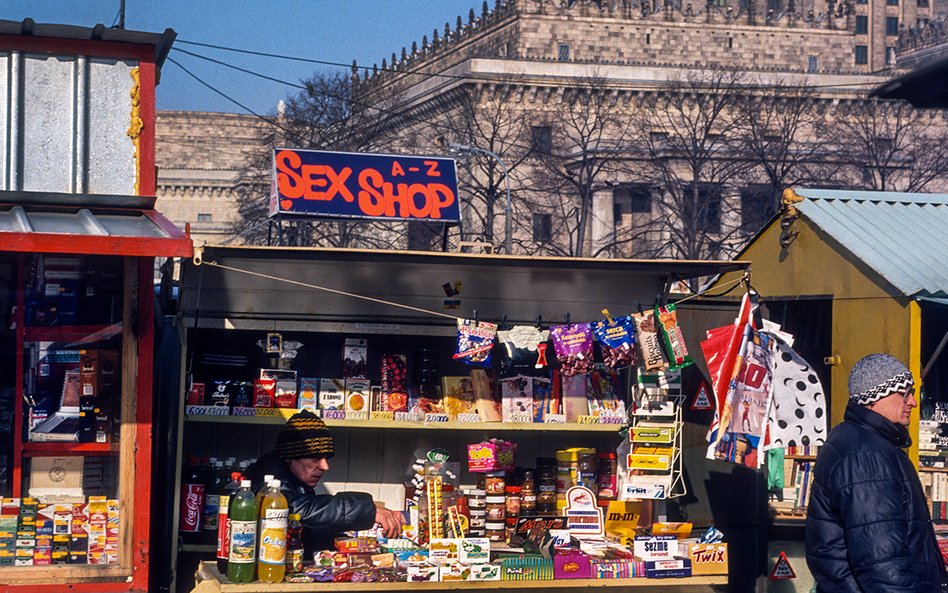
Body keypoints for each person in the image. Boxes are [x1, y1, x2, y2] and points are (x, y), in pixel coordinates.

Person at [806, 354, 945, 592]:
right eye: (905, 393)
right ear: (874, 397)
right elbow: (882, 563)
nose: (912, 402)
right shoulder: (866, 455)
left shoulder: (862, 442)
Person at [245, 410, 404, 555]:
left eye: (326, 458)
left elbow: (305, 529)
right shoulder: (268, 477)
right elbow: (299, 508)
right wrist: (367, 510)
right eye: (315, 458)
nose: (325, 466)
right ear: (289, 456)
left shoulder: (294, 477)